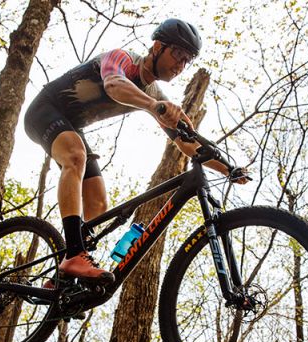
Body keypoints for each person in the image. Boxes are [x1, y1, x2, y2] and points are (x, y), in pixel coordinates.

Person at [24, 18, 245, 283]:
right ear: (158, 47)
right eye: (178, 54)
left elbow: (184, 141)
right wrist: (154, 107)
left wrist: (228, 169)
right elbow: (114, 84)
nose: (180, 65)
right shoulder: (122, 59)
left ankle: (63, 281)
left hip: (70, 126)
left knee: (98, 205)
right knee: (75, 156)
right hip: (44, 111)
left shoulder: (154, 94)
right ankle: (73, 255)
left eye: (187, 60)